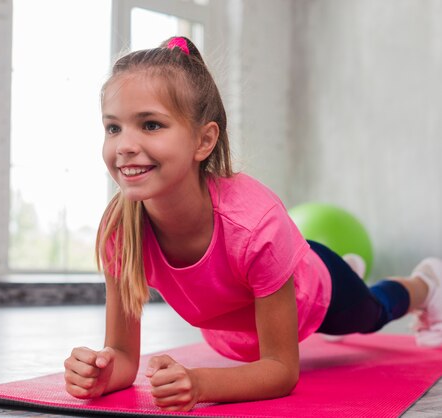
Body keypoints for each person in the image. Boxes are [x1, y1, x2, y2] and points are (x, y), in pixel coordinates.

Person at [63, 36, 442, 412]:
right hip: (239, 330)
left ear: (204, 140)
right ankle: (325, 266)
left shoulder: (255, 226)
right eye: (113, 128)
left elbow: (281, 370)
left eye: (150, 125)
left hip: (314, 297)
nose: (124, 145)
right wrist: (104, 371)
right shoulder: (120, 230)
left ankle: (425, 284)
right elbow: (126, 357)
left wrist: (200, 383)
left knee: (373, 312)